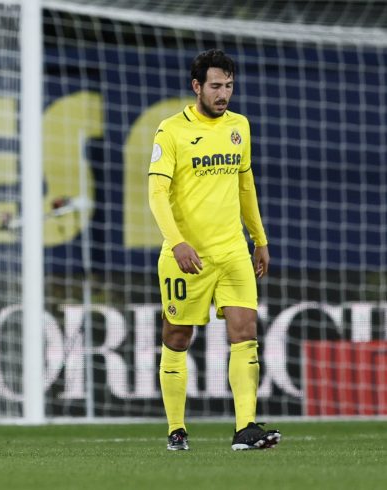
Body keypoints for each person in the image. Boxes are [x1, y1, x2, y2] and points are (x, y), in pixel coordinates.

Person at [148, 49, 281, 451]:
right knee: (177, 337)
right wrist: (178, 242)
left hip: (233, 252)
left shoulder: (240, 126)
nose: (224, 94)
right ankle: (176, 429)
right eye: (216, 86)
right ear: (197, 87)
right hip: (187, 257)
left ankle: (245, 428)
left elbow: (245, 185)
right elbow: (156, 194)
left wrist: (259, 239)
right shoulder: (170, 131)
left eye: (229, 86)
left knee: (245, 334)